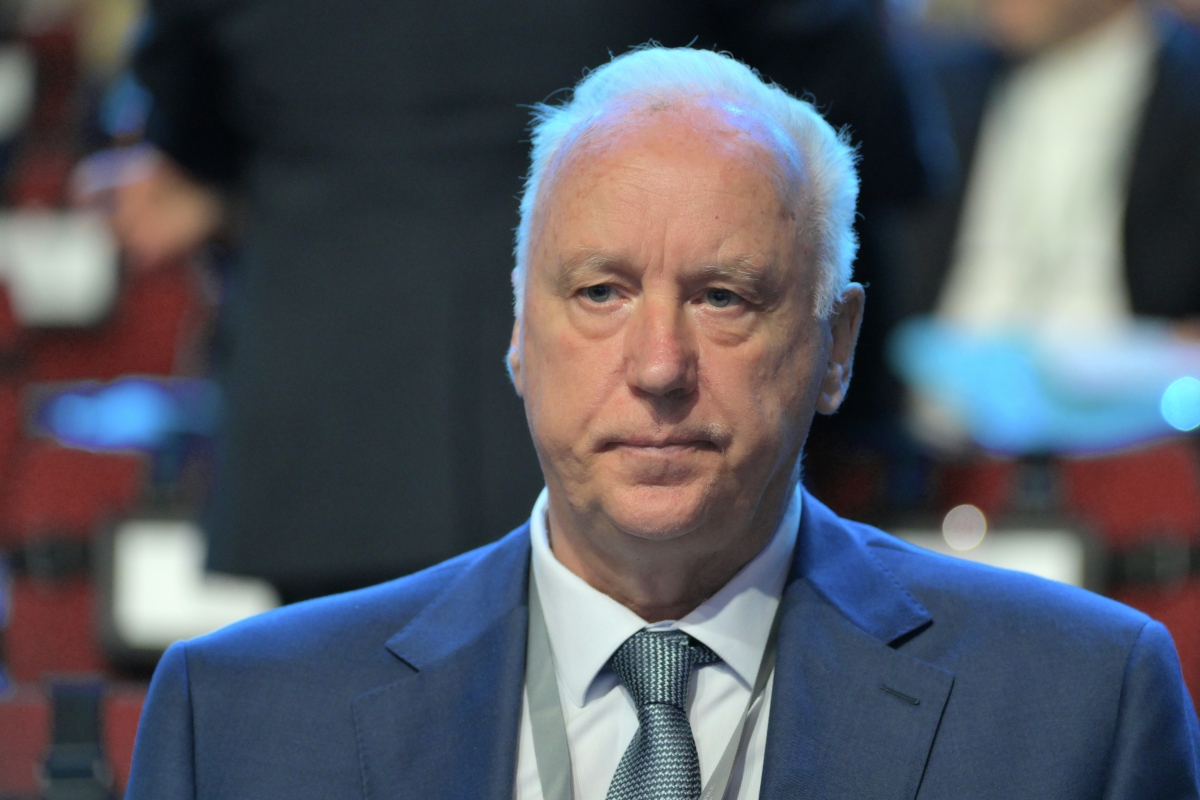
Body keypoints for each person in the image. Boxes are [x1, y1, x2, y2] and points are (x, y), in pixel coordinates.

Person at [125, 47, 1200, 799]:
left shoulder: (1077, 709)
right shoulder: (243, 722)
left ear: (835, 345)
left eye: (724, 297)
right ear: (518, 331)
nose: (657, 368)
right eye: (600, 292)